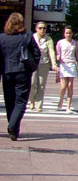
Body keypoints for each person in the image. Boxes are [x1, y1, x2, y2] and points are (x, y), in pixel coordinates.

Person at [0, 12, 39, 141]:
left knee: (9, 101)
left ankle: (14, 130)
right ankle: (13, 126)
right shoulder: (27, 36)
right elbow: (36, 52)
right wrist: (33, 67)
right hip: (23, 72)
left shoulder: (2, 38)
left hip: (7, 72)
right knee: (21, 101)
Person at [55, 26, 78, 113]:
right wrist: (57, 58)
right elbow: (57, 53)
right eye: (66, 33)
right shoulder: (60, 43)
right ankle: (60, 101)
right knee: (63, 86)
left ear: (72, 34)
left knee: (70, 86)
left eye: (70, 33)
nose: (68, 35)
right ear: (64, 34)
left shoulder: (75, 43)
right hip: (63, 65)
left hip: (71, 64)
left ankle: (68, 106)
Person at [28, 21, 57, 111]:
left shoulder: (48, 39)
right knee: (32, 84)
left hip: (44, 63)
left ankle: (39, 105)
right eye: (40, 28)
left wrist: (54, 64)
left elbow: (51, 52)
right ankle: (31, 101)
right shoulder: (32, 37)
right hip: (33, 64)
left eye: (44, 28)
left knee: (41, 84)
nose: (42, 30)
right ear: (36, 29)